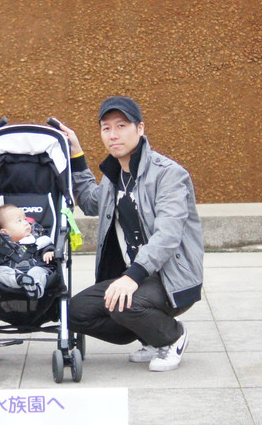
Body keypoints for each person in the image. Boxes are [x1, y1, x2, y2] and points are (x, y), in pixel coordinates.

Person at [52, 97, 203, 371]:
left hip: (169, 277)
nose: (113, 134)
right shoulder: (114, 176)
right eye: (106, 128)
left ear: (140, 128)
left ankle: (172, 336)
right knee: (72, 312)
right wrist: (76, 153)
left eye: (121, 126)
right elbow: (90, 202)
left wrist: (132, 276)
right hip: (134, 279)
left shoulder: (169, 174)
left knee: (122, 305)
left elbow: (168, 235)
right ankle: (151, 335)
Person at [0, 203, 56, 298]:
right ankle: (20, 279)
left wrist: (49, 251)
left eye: (25, 219)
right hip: (13, 276)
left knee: (38, 271)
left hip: (34, 269)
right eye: (19, 221)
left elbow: (47, 246)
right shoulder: (0, 248)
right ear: (5, 232)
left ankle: (35, 288)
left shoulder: (37, 241)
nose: (26, 223)